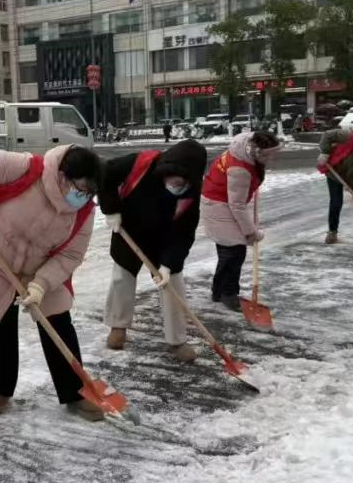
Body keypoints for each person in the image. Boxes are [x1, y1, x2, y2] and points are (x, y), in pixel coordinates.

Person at [0, 145, 104, 421]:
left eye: (89, 194)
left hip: (41, 268)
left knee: (58, 323)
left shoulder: (84, 212)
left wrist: (41, 284)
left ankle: (75, 391)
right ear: (63, 176)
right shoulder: (26, 168)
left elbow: (71, 255)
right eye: (80, 189)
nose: (82, 198)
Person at [98, 139, 208, 362]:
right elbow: (104, 175)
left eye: (182, 183)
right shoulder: (141, 163)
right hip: (129, 229)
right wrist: (111, 209)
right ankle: (117, 327)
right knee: (122, 277)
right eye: (173, 180)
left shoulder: (191, 191)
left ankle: (177, 340)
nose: (176, 186)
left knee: (172, 283)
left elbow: (185, 231)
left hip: (164, 238)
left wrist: (169, 264)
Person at [200, 130, 282, 311]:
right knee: (233, 251)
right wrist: (251, 232)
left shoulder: (243, 148)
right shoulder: (240, 169)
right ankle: (228, 293)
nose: (273, 159)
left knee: (230, 251)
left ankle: (219, 291)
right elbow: (236, 204)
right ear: (257, 152)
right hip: (218, 205)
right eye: (270, 155)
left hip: (220, 201)